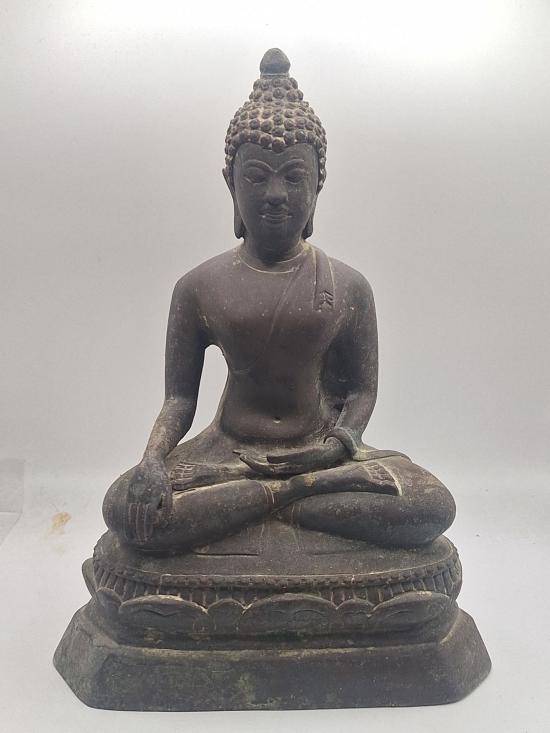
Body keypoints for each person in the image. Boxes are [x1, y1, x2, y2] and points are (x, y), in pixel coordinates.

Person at [103, 49, 455, 552]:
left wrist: (335, 447)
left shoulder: (348, 285)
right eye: (255, 177)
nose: (274, 193)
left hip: (319, 457)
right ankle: (290, 502)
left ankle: (270, 500)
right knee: (124, 505)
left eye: (293, 176)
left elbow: (361, 392)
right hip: (226, 454)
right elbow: (179, 399)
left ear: (317, 186)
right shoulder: (197, 286)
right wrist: (153, 461)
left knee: (430, 504)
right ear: (231, 184)